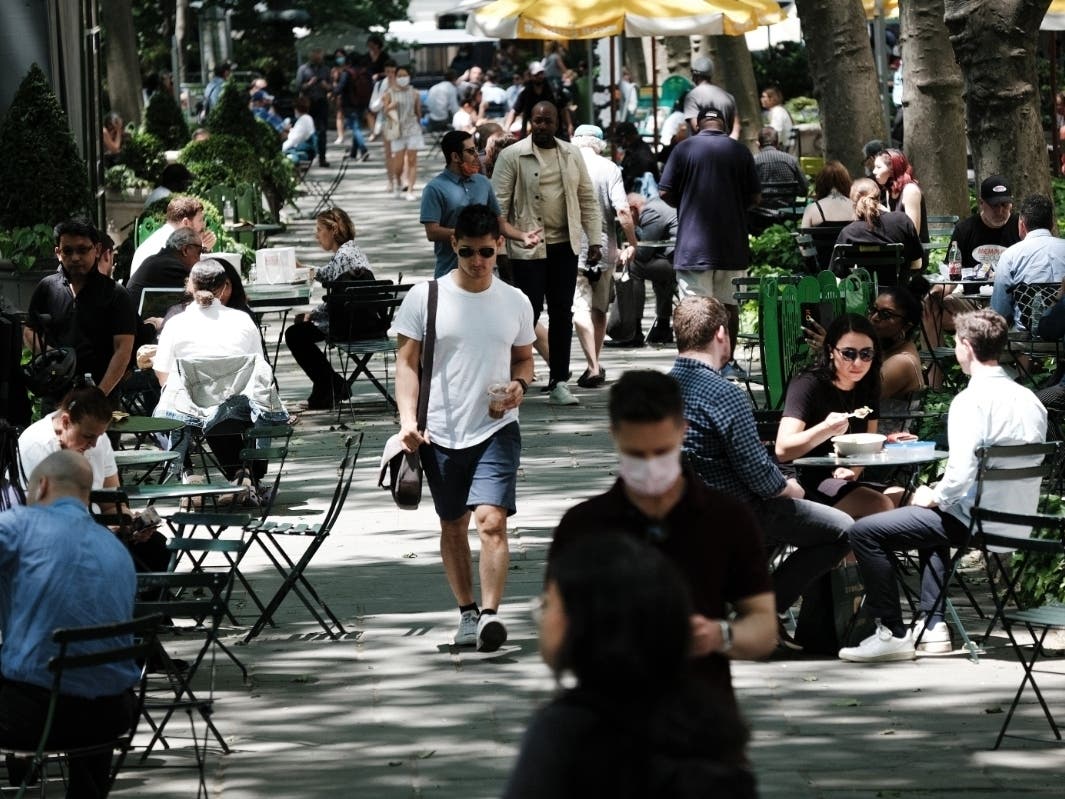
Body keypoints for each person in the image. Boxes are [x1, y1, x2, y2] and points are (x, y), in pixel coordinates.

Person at [552, 370, 776, 713]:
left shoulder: (726, 518)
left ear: (682, 431)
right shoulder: (583, 526)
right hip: (607, 723)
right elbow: (553, 642)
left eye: (662, 451)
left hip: (702, 722)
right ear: (614, 436)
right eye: (636, 454)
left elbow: (763, 628)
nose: (651, 466)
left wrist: (720, 635)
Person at [841, 309, 1047, 662]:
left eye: (955, 342)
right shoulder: (1030, 399)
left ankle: (891, 631)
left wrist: (935, 494)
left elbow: (962, 472)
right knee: (929, 520)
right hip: (1019, 522)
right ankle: (934, 627)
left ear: (966, 346)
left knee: (865, 532)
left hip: (975, 521)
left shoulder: (970, 400)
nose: (955, 349)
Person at [504, 533, 758, 799]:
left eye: (547, 603)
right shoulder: (710, 719)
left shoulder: (562, 731)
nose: (541, 615)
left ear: (583, 624)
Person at [392, 204, 535, 652]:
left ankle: (491, 615)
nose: (477, 261)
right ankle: (467, 612)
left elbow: (524, 358)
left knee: (491, 522)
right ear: (453, 244)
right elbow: (406, 363)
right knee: (452, 524)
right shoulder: (425, 296)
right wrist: (407, 423)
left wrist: (520, 386)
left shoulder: (516, 300)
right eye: (469, 251)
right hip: (440, 431)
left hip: (496, 427)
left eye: (487, 252)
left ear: (500, 247)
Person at [669, 297, 851, 648]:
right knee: (842, 529)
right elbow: (758, 476)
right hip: (738, 511)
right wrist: (790, 488)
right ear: (722, 334)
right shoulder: (725, 393)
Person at [0, 450, 139, 798]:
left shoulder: (20, 525)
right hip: (113, 715)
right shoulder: (117, 549)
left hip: (35, 717)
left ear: (42, 485)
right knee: (82, 670)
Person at [491, 101, 602, 406]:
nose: (541, 126)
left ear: (557, 124)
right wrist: (501, 247)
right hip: (527, 249)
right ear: (530, 122)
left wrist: (595, 240)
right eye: (536, 121)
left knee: (563, 312)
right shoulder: (513, 155)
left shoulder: (571, 153)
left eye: (547, 121)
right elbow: (497, 204)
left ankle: (559, 380)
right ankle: (514, 376)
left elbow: (587, 199)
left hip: (564, 246)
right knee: (527, 314)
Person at [154, 260, 286, 484]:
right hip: (237, 413)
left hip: (190, 414)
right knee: (219, 407)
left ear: (190, 286)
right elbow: (260, 370)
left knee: (163, 413)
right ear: (225, 287)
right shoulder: (242, 320)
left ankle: (187, 472)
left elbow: (163, 375)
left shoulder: (176, 324)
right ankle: (244, 473)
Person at [17, 384, 169, 571]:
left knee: (157, 548)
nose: (94, 444)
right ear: (65, 422)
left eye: (99, 436)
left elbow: (113, 504)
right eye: (88, 436)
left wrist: (130, 524)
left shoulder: (98, 440)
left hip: (93, 531)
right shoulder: (37, 444)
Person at [659, 102, 760, 375]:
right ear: (725, 124)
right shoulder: (739, 151)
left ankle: (692, 368)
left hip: (694, 245)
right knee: (729, 307)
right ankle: (726, 365)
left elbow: (664, 192)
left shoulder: (683, 149)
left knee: (693, 309)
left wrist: (687, 202)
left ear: (697, 124)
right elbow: (756, 197)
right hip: (732, 244)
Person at [776, 313, 896, 520]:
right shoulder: (807, 384)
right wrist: (825, 429)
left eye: (866, 354)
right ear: (831, 351)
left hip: (841, 479)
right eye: (848, 354)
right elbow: (783, 450)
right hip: (802, 478)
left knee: (918, 502)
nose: (858, 362)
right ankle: (847, 551)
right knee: (878, 504)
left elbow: (870, 441)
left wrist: (853, 471)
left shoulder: (868, 385)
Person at [25, 219, 136, 405]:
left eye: (83, 249)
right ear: (58, 253)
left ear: (97, 250)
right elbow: (29, 331)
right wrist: (56, 357)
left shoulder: (115, 294)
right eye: (68, 251)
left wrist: (99, 395)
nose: (75, 257)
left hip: (101, 399)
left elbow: (123, 350)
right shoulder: (46, 288)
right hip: (55, 397)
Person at [285, 208, 376, 409]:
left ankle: (330, 385)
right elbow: (329, 276)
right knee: (300, 331)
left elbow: (339, 300)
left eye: (319, 230)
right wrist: (303, 268)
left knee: (295, 335)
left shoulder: (343, 257)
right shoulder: (352, 251)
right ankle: (330, 385)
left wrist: (313, 314)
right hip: (366, 321)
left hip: (349, 324)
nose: (316, 235)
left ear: (333, 230)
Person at [570, 124, 638, 389]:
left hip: (572, 247)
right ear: (599, 144)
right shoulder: (609, 168)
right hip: (605, 247)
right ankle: (593, 365)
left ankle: (593, 366)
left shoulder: (566, 165)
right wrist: (632, 243)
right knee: (599, 309)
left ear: (575, 141)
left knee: (579, 307)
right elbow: (622, 211)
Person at [420, 130, 539, 279]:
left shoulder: (483, 183)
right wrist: (469, 233)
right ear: (455, 156)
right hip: (449, 273)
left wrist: (522, 236)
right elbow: (432, 232)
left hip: (484, 273)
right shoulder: (435, 188)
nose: (477, 155)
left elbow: (498, 222)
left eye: (476, 149)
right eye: (470, 151)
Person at [990, 193, 1065, 328]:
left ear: (1022, 224)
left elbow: (999, 311)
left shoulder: (1010, 255)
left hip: (1024, 342)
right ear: (1052, 224)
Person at [835, 177, 924, 275]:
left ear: (853, 202)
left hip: (866, 288)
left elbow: (838, 272)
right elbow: (917, 264)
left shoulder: (848, 232)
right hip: (899, 288)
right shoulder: (902, 221)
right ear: (878, 196)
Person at [625, 192, 679, 345]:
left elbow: (643, 254)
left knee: (634, 265)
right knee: (657, 271)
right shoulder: (657, 205)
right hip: (678, 259)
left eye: (626, 213)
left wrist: (632, 228)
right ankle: (663, 327)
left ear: (633, 209)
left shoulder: (650, 212)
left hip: (679, 262)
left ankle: (635, 330)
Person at [130, 196, 216, 277]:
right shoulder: (171, 245)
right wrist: (203, 250)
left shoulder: (163, 236)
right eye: (200, 220)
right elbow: (194, 278)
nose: (203, 225)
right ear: (186, 223)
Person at [125, 227, 204, 314]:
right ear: (185, 250)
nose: (199, 259)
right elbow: (201, 293)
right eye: (199, 252)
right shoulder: (172, 267)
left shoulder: (157, 260)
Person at [380, 65, 424, 201]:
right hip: (397, 130)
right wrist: (389, 107)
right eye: (400, 75)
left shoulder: (415, 93)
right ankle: (398, 181)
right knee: (398, 162)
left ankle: (410, 189)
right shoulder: (389, 93)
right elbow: (384, 112)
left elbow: (418, 113)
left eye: (405, 75)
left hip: (412, 129)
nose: (402, 78)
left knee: (412, 160)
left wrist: (420, 125)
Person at [872, 148, 928, 251]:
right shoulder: (889, 190)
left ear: (893, 169)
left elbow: (913, 232)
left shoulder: (910, 191)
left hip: (914, 252)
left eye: (878, 167)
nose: (874, 171)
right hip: (896, 247)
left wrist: (884, 211)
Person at [505, 62, 570, 139]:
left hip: (555, 132)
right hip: (534, 134)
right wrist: (506, 129)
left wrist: (569, 126)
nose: (540, 76)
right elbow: (514, 111)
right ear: (531, 76)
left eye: (541, 73)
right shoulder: (526, 93)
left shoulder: (554, 90)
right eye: (537, 74)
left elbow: (564, 109)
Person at [682, 55, 740, 139]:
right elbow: (736, 128)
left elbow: (696, 127)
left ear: (694, 74)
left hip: (702, 148)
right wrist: (728, 144)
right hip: (725, 146)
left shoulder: (692, 97)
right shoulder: (728, 96)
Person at [296, 48, 333, 168]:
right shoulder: (303, 69)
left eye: (319, 54)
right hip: (308, 103)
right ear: (311, 55)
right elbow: (298, 86)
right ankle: (308, 156)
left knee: (322, 131)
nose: (317, 56)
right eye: (315, 54)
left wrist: (325, 86)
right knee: (307, 131)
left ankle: (322, 157)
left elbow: (331, 87)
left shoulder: (326, 69)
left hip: (321, 102)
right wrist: (309, 84)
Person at [752, 126, 807, 202]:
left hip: (761, 210)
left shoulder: (753, 161)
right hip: (789, 210)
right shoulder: (791, 160)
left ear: (759, 145)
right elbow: (804, 189)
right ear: (777, 143)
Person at [801, 160, 854, 228]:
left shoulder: (812, 209)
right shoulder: (856, 207)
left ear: (820, 183)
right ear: (846, 182)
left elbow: (804, 236)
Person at [614, 121, 658, 194]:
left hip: (641, 197)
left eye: (620, 140)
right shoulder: (632, 151)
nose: (619, 144)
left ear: (627, 137)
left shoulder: (642, 154)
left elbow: (637, 180)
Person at [282, 96, 318, 163]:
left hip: (304, 152)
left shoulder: (303, 120)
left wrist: (281, 149)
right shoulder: (308, 118)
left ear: (296, 109)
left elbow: (293, 140)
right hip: (307, 149)